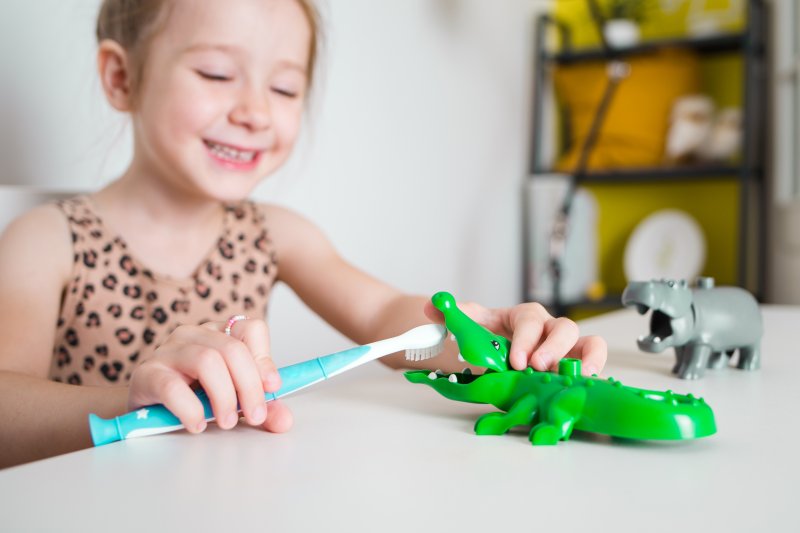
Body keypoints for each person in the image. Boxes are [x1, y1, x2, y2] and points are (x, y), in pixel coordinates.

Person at [0, 0, 607, 468]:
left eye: (285, 87)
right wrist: (131, 408)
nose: (256, 112)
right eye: (216, 73)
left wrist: (477, 334)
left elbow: (385, 320)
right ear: (120, 77)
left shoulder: (274, 235)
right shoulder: (47, 242)